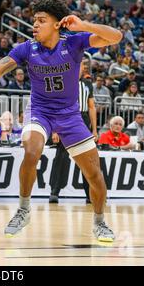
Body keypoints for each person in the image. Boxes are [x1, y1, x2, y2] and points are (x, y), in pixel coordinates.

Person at [0, 0, 122, 241]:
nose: (34, 25)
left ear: (57, 25)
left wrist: (84, 25)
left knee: (94, 174)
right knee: (31, 151)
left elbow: (116, 36)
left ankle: (99, 222)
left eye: (41, 21)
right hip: (40, 111)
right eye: (34, 20)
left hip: (70, 116)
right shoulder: (26, 48)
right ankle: (24, 209)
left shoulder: (75, 42)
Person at [49, 64, 97, 204]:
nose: (81, 68)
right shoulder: (62, 82)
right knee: (61, 158)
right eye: (79, 65)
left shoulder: (88, 84)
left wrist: (94, 130)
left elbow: (92, 107)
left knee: (87, 158)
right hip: (66, 118)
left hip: (83, 119)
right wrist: (55, 129)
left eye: (82, 66)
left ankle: (89, 194)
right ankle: (54, 192)